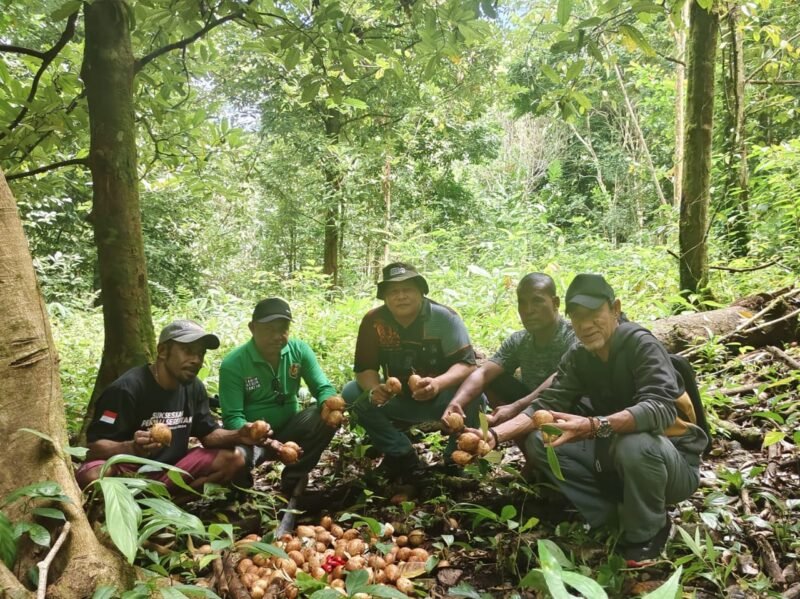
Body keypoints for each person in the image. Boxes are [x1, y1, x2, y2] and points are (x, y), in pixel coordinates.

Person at [477, 274, 708, 564]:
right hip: (614, 454)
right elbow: (545, 404)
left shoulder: (641, 345)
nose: (585, 325)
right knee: (541, 440)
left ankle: (648, 530)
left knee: (635, 444)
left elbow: (659, 409)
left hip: (672, 463)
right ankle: (607, 518)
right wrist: (493, 436)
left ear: (615, 309)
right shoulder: (580, 356)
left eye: (593, 314)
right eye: (577, 317)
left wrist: (593, 426)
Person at [77, 320, 262, 491]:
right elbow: (92, 449)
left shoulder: (194, 386)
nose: (196, 360)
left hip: (173, 469)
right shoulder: (126, 390)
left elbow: (208, 434)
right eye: (188, 351)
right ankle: (132, 504)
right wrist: (132, 447)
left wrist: (239, 434)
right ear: (163, 351)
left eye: (200, 353)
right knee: (94, 474)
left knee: (233, 459)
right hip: (130, 471)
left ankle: (175, 502)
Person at [342, 262, 479, 478]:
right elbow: (364, 368)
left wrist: (438, 384)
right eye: (394, 291)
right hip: (397, 400)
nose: (401, 296)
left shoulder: (445, 318)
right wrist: (374, 389)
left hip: (443, 401)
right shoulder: (373, 321)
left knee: (476, 393)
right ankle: (400, 454)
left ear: (420, 291)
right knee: (352, 393)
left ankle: (455, 460)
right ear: (385, 296)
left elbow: (467, 364)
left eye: (407, 289)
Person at [218, 297, 338, 493]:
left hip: (291, 428)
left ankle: (293, 480)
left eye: (283, 329)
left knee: (324, 417)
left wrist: (329, 404)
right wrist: (253, 433)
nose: (277, 336)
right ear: (252, 328)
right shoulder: (234, 364)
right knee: (236, 456)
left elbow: (323, 387)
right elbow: (232, 417)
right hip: (254, 439)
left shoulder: (299, 351)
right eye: (269, 329)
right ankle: (242, 492)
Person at [441, 273, 575, 433]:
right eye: (522, 303)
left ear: (555, 303)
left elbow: (560, 378)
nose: (528, 310)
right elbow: (483, 373)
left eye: (537, 301)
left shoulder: (573, 336)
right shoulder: (519, 340)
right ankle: (519, 439)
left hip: (568, 405)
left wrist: (516, 407)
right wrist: (456, 403)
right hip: (530, 404)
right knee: (492, 379)